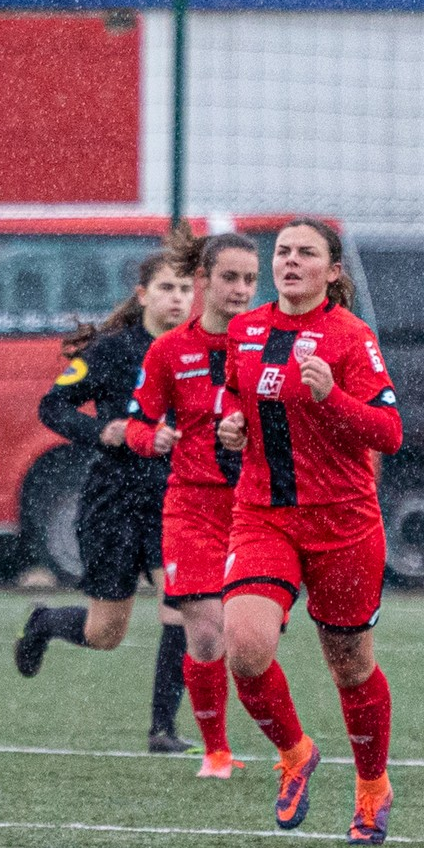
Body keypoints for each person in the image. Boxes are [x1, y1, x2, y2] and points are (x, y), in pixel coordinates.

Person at [215, 218, 401, 845]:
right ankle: (295, 752)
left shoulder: (351, 338)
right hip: (264, 513)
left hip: (344, 523)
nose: (290, 262)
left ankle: (373, 787)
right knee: (243, 645)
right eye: (284, 252)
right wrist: (234, 429)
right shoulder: (247, 331)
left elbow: (388, 433)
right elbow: (241, 403)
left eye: (307, 253)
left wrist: (332, 398)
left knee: (349, 665)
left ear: (333, 270)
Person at [14, 250, 197, 754]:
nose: (177, 298)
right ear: (143, 296)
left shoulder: (201, 351)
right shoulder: (113, 351)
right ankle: (45, 622)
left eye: (185, 289)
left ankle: (163, 729)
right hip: (113, 501)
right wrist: (103, 431)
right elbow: (52, 406)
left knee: (179, 608)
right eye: (166, 288)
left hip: (173, 501)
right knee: (105, 633)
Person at [123, 232, 261, 779]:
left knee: (250, 643)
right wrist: (149, 439)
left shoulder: (270, 342)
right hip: (193, 506)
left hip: (258, 508)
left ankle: (287, 742)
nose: (242, 289)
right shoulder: (168, 350)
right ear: (203, 281)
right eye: (230, 277)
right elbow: (138, 421)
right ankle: (217, 750)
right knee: (204, 632)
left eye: (251, 279)